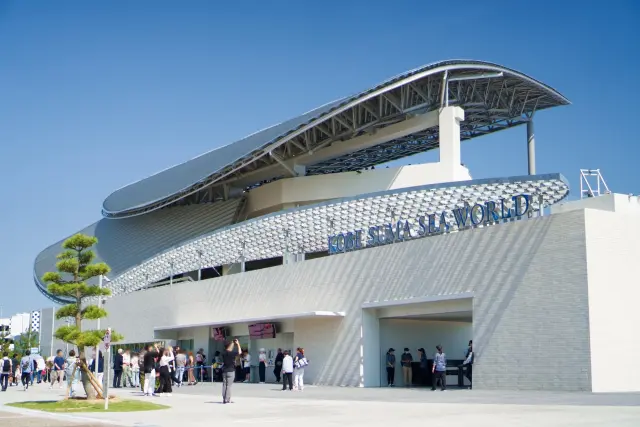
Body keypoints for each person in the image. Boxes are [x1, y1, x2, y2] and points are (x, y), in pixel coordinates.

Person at [221, 338, 241, 404]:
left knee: (224, 385)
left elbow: (228, 349)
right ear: (229, 345)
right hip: (231, 370)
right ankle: (227, 399)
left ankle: (224, 398)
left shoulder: (223, 353)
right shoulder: (232, 353)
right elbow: (240, 352)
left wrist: (232, 342)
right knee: (229, 386)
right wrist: (237, 344)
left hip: (224, 371)